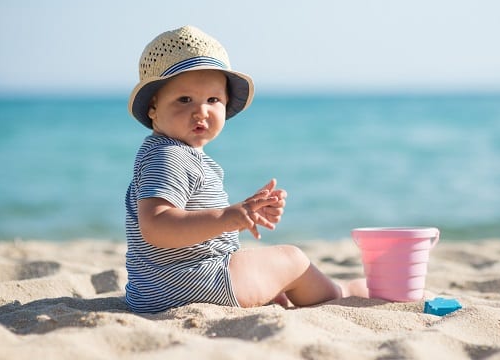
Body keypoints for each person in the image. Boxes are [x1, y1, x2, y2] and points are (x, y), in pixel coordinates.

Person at [125, 25, 366, 313]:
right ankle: (339, 293)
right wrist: (228, 217)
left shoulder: (175, 154)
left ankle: (278, 290)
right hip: (186, 284)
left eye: (213, 100)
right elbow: (156, 226)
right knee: (292, 259)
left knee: (262, 262)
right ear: (153, 107)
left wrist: (248, 213)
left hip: (160, 287)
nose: (201, 111)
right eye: (185, 99)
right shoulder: (169, 157)